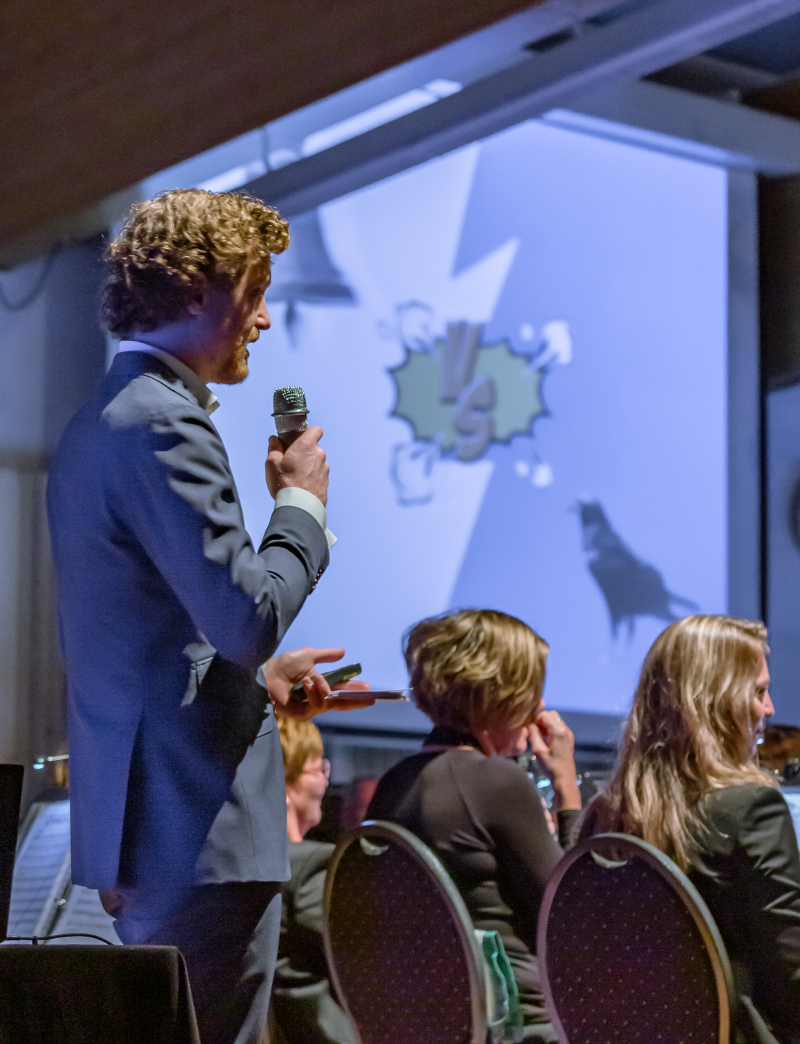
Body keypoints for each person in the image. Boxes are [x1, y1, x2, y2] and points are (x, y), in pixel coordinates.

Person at [46, 189, 372, 1044]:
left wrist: (259, 682)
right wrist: (301, 506)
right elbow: (248, 618)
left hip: (147, 830)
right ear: (196, 290)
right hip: (198, 831)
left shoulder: (99, 419)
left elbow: (146, 637)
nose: (262, 319)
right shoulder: (166, 423)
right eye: (254, 292)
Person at [580, 614, 800, 1044]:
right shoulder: (749, 809)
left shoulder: (604, 817)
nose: (769, 709)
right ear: (718, 702)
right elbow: (791, 979)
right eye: (758, 692)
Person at [367, 609, 581, 1043]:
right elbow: (574, 916)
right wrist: (566, 788)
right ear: (503, 693)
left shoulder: (394, 783)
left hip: (430, 1019)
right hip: (516, 1019)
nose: (539, 706)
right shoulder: (496, 781)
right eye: (532, 689)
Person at [270, 718, 357, 1044]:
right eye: (318, 769)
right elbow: (359, 959)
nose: (325, 780)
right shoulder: (310, 864)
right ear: (284, 782)